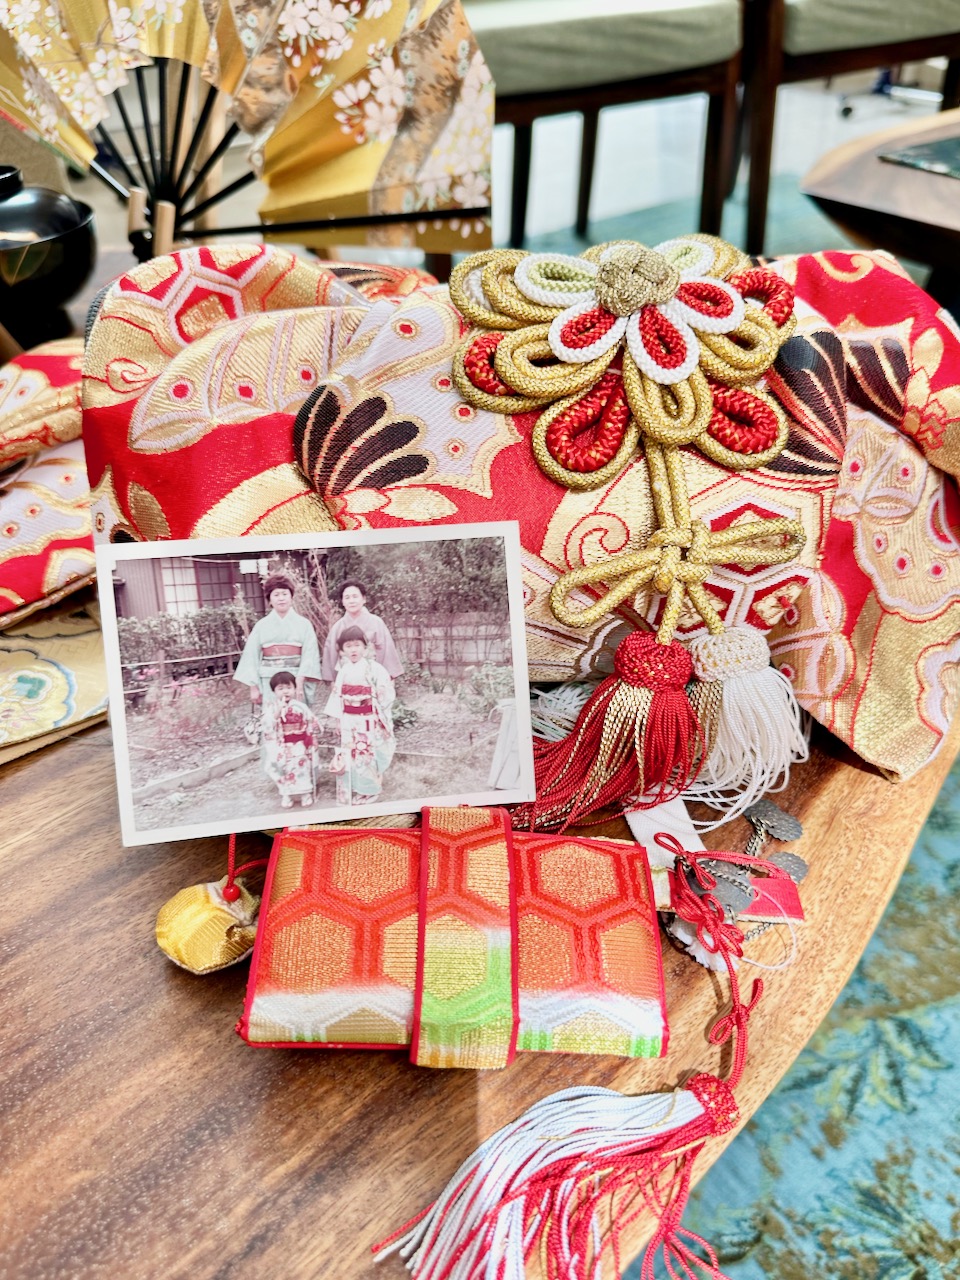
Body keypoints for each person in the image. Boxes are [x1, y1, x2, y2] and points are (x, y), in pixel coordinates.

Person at [324, 625, 396, 806]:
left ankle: (370, 791)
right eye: (348, 646)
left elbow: (386, 692)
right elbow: (337, 696)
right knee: (351, 753)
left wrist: (377, 699)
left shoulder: (375, 668)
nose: (353, 650)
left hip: (368, 719)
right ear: (342, 650)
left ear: (365, 646)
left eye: (357, 645)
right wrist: (338, 720)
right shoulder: (343, 671)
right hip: (348, 719)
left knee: (366, 755)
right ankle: (357, 789)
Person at [233, 573, 322, 706]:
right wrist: (253, 686)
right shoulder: (261, 626)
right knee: (272, 714)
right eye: (276, 595)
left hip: (295, 679)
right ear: (269, 599)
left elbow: (310, 654)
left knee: (296, 714)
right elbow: (251, 656)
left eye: (285, 594)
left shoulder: (304, 624)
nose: (281, 598)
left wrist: (301, 678)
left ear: (291, 596)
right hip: (269, 679)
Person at [321, 580, 403, 683]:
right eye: (347, 597)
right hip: (347, 677)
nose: (351, 601)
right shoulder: (338, 627)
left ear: (364, 599)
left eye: (355, 596)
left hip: (373, 675)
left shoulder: (376, 622)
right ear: (342, 601)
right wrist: (333, 681)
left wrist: (387, 678)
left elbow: (387, 651)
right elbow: (331, 654)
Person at [261, 671, 321, 809]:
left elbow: (312, 721)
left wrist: (312, 734)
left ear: (295, 688)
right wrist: (277, 713)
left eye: (289, 687)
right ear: (274, 691)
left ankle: (305, 793)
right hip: (282, 746)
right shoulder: (272, 707)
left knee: (302, 768)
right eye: (280, 688)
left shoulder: (300, 706)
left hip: (299, 744)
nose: (285, 691)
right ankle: (286, 794)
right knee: (283, 769)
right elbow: (267, 725)